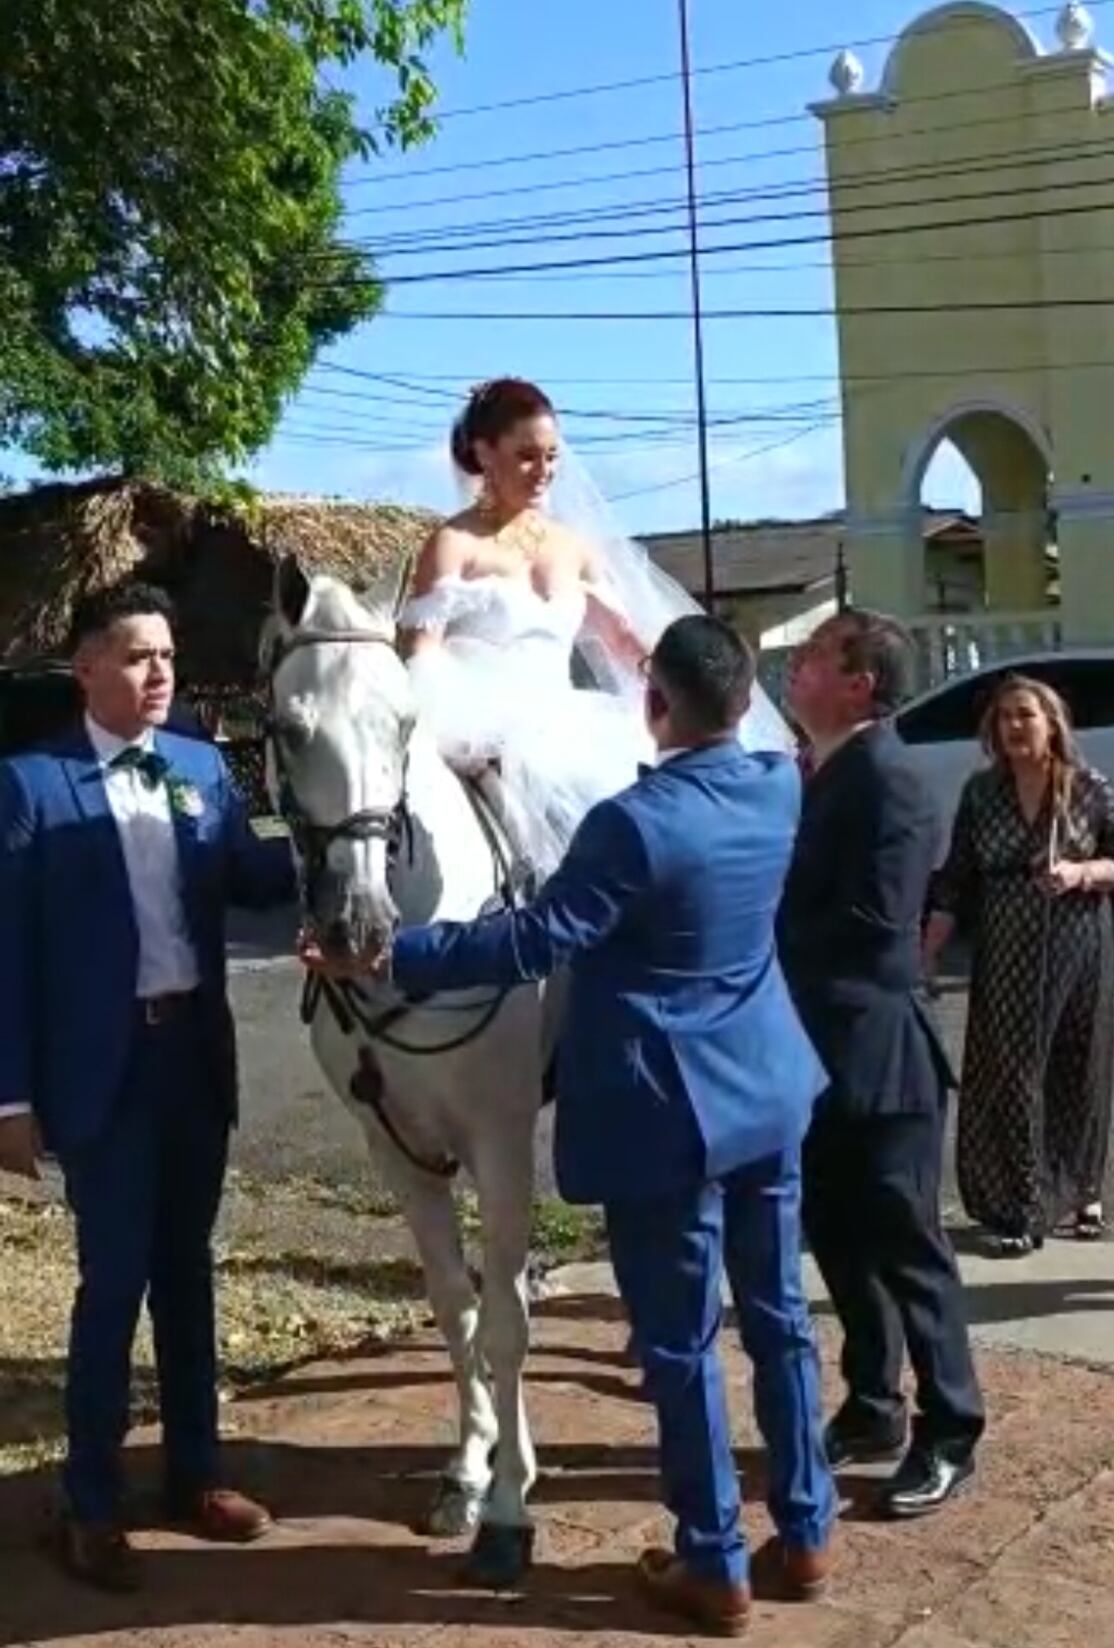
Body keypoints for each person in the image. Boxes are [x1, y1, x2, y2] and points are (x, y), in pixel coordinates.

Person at [305, 616, 836, 1637]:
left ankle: (714, 1560)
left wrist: (387, 959)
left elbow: (534, 939)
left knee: (680, 1345)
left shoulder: (632, 823)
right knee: (778, 1319)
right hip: (768, 1087)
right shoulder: (779, 783)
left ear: (655, 701)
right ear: (744, 701)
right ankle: (807, 1530)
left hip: (664, 1110)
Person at [0, 582, 296, 1593]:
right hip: (103, 1071)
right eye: (137, 655)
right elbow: (8, 953)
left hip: (193, 1060)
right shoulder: (30, 786)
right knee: (113, 1282)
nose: (159, 671)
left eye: (166, 654)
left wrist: (349, 829)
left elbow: (255, 878)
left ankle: (195, 1474)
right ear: (86, 666)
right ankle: (89, 1502)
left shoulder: (202, 768)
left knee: (188, 1274)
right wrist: (9, 1098)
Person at [400, 376, 791, 878]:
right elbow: (422, 653)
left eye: (551, 456)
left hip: (565, 721)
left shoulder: (572, 547)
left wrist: (687, 688)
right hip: (478, 729)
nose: (544, 471)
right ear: (484, 452)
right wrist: (452, 726)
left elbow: (622, 640)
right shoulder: (453, 543)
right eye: (526, 456)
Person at [778, 611, 985, 1519]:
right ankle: (873, 1405)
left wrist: (752, 930)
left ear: (860, 683)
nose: (796, 667)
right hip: (813, 1052)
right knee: (837, 1235)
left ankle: (952, 1428)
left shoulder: (889, 779)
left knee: (906, 1245)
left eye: (815, 657)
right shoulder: (819, 771)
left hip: (878, 1050)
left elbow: (874, 924)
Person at [923, 675, 1114, 1255]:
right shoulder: (982, 793)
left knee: (1076, 1066)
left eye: (1025, 715)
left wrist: (1080, 872)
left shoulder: (1086, 788)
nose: (1014, 726)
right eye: (1004, 717)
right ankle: (1020, 1205)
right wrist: (928, 950)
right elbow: (956, 878)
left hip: (1077, 942)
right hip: (1007, 947)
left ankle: (1079, 1188)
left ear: (1052, 723)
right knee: (1011, 1069)